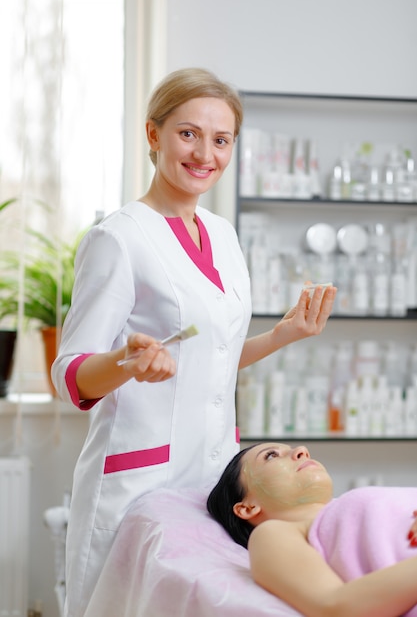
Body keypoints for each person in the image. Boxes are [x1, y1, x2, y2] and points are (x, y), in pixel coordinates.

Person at [52, 67, 337, 617]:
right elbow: (70, 373)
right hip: (139, 481)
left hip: (213, 473)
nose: (205, 152)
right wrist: (127, 363)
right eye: (188, 133)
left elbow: (215, 358)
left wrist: (284, 334)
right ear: (153, 135)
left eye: (221, 138)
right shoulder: (118, 238)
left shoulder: (224, 235)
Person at [207, 441, 417, 617]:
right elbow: (334, 606)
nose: (302, 450)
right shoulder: (274, 534)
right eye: (271, 456)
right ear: (247, 507)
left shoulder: (345, 505)